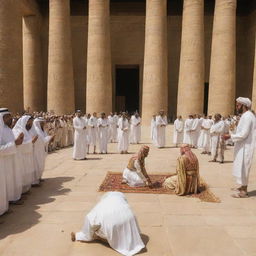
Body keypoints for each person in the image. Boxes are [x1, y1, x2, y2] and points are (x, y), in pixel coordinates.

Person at [71, 192, 145, 256]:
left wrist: (80, 235)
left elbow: (89, 222)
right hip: (130, 220)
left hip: (113, 226)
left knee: (95, 230)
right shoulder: (119, 198)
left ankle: (100, 238)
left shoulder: (98, 210)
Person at [223, 97, 256, 198]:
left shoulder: (248, 116)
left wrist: (230, 136)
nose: (236, 107)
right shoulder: (246, 115)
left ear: (243, 105)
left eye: (238, 105)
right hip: (242, 146)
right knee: (240, 167)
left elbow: (244, 134)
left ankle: (244, 192)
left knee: (244, 168)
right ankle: (242, 187)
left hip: (246, 147)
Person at [0, 108, 24, 203]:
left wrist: (18, 142)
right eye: (8, 117)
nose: (10, 118)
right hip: (4, 162)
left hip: (11, 159)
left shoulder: (7, 129)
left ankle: (11, 199)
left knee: (11, 181)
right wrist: (14, 144)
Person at [13, 115, 38, 193]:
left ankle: (25, 189)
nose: (30, 124)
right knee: (21, 173)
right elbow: (19, 144)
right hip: (21, 156)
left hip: (27, 155)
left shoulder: (25, 131)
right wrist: (31, 142)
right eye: (29, 122)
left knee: (27, 172)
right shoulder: (17, 130)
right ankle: (21, 192)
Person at [32, 117, 54, 184]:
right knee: (37, 164)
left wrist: (50, 138)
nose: (43, 124)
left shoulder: (42, 130)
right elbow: (41, 141)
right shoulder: (36, 130)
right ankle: (35, 180)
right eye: (41, 123)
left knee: (41, 164)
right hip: (37, 150)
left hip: (42, 150)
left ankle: (39, 177)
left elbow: (45, 139)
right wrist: (50, 137)